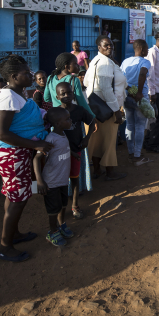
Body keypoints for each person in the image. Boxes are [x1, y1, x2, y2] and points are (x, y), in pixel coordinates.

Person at [0, 54, 53, 262]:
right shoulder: (8, 97)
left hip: (17, 152)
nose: (31, 75)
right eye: (26, 72)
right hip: (11, 154)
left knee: (15, 197)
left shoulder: (18, 93)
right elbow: (1, 133)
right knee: (18, 199)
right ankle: (5, 246)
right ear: (14, 76)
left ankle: (14, 234)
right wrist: (36, 144)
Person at [84, 35, 127, 181]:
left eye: (111, 45)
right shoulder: (105, 63)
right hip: (107, 109)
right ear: (99, 47)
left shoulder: (95, 61)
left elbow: (85, 81)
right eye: (105, 45)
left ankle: (97, 170)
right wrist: (116, 111)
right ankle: (110, 172)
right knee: (109, 141)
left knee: (97, 141)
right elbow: (106, 89)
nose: (109, 47)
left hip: (95, 108)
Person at [33, 107, 76, 247]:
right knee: (53, 208)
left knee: (63, 204)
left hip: (63, 179)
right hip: (51, 181)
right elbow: (36, 159)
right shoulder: (51, 139)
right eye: (67, 119)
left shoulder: (63, 135)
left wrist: (73, 154)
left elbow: (63, 151)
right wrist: (39, 181)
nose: (70, 121)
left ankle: (61, 224)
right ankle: (52, 231)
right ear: (58, 123)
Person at [55, 82, 96, 218]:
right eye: (63, 94)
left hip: (76, 150)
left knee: (74, 179)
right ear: (57, 96)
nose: (67, 96)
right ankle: (60, 208)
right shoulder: (55, 113)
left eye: (69, 93)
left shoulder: (79, 110)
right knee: (60, 181)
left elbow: (92, 123)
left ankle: (75, 206)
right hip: (59, 153)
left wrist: (87, 138)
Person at [121, 39, 153, 166]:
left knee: (130, 124)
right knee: (140, 126)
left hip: (127, 96)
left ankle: (131, 152)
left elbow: (121, 78)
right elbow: (143, 73)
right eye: (146, 48)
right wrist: (139, 92)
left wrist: (130, 91)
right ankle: (137, 155)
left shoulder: (125, 62)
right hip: (140, 97)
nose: (147, 50)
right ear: (141, 49)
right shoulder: (145, 61)